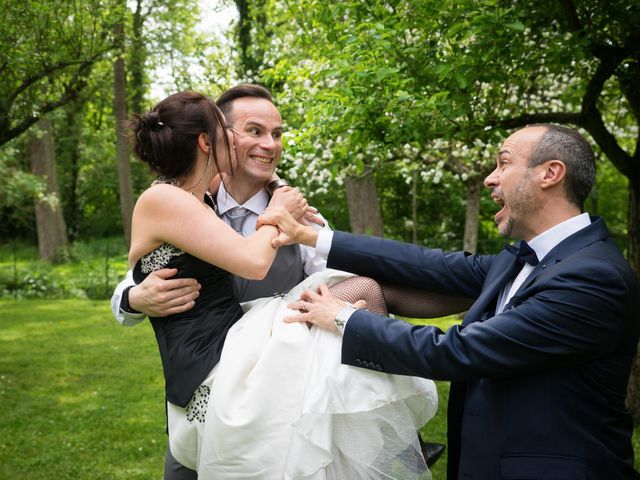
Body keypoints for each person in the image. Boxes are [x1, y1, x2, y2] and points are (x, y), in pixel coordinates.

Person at [261, 124, 640, 479]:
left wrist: (344, 318)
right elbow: (428, 265)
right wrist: (312, 237)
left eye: (503, 163)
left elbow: (457, 351)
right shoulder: (518, 259)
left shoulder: (592, 278)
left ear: (550, 173)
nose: (490, 178)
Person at [112, 84, 450, 477]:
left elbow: (336, 272)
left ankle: (484, 302)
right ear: (215, 141)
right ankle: (406, 427)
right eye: (252, 131)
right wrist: (134, 298)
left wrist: (306, 228)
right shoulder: (178, 200)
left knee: (366, 288)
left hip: (274, 384)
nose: (268, 144)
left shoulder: (283, 210)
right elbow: (140, 276)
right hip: (211, 377)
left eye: (277, 133)